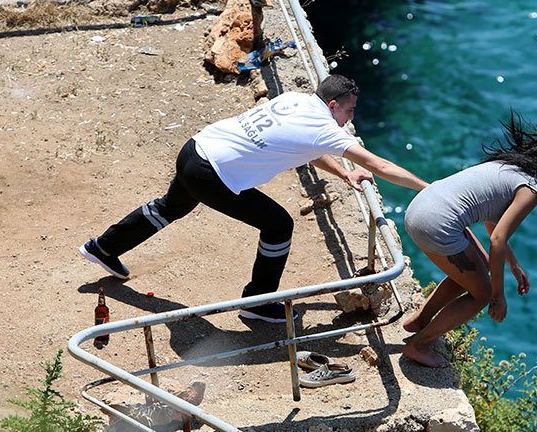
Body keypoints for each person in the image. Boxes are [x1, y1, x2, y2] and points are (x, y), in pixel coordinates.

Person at [79, 75, 428, 323]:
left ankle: (103, 248)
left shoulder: (295, 100)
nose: (352, 118)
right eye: (350, 111)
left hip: (195, 150)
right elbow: (379, 165)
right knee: (278, 225)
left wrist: (344, 173)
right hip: (212, 174)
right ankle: (258, 302)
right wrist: (428, 189)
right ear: (333, 105)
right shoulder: (324, 127)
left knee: (169, 207)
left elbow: (308, 147)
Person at [401, 111, 537, 367]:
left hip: (420, 207)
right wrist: (497, 295)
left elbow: (493, 224)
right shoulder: (531, 191)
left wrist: (513, 266)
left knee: (477, 270)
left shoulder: (509, 166)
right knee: (480, 295)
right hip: (437, 224)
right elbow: (498, 240)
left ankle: (419, 322)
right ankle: (419, 346)